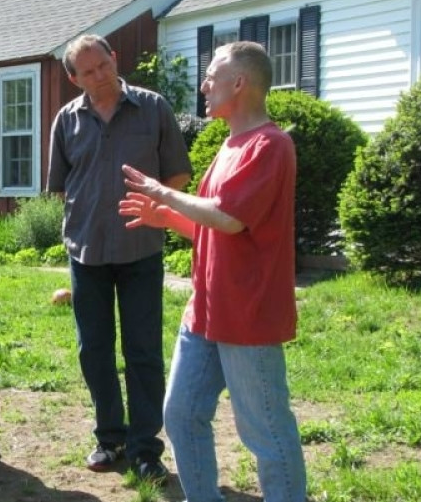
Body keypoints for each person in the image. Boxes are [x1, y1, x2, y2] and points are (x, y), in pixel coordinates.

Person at [118, 41, 307, 502]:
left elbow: (229, 218)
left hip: (247, 315)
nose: (203, 85)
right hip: (204, 311)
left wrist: (163, 193)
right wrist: (170, 218)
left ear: (238, 83)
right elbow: (218, 229)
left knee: (265, 430)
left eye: (211, 75)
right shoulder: (229, 144)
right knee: (182, 415)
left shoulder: (270, 145)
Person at [46, 34, 192, 482]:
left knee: (143, 350)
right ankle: (110, 437)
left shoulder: (153, 108)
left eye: (103, 65)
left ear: (114, 58)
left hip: (140, 247)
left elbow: (178, 173)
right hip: (86, 250)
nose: (100, 76)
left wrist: (157, 210)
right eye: (88, 72)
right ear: (75, 78)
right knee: (94, 350)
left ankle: (146, 447)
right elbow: (61, 186)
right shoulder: (66, 120)